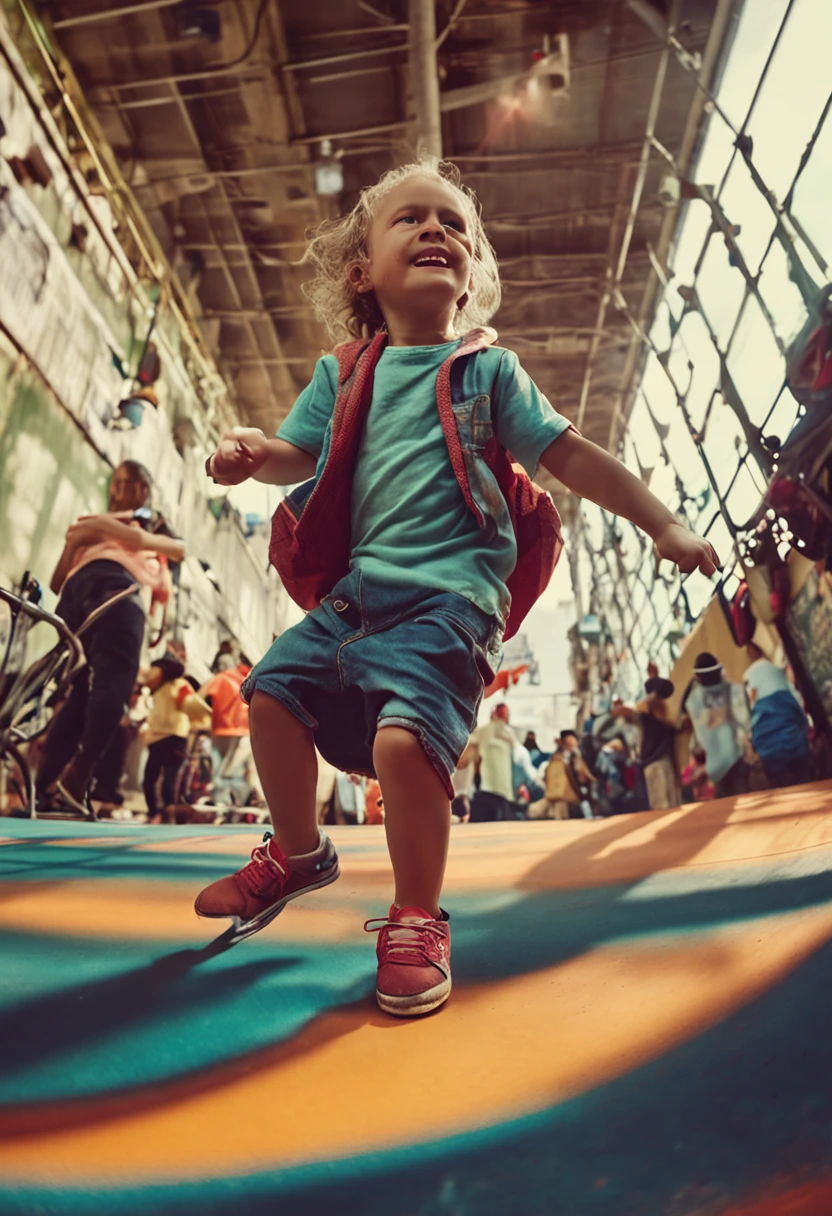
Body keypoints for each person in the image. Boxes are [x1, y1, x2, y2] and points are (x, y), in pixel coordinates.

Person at [192, 156, 717, 1017]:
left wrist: (661, 523)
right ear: (363, 270)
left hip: (453, 604)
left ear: (470, 271)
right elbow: (302, 455)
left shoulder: (489, 374)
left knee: (406, 747)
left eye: (454, 224)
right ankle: (297, 853)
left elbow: (571, 456)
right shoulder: (345, 372)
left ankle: (415, 916)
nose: (437, 229)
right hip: (358, 599)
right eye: (411, 219)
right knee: (271, 696)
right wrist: (256, 456)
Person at [36, 461, 184, 815]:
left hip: (96, 595)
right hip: (94, 594)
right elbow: (58, 579)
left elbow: (177, 549)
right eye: (115, 482)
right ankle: (77, 774)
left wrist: (91, 532)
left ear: (144, 490)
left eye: (128, 482)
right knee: (110, 683)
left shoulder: (143, 523)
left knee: (82, 695)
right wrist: (86, 537)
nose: (118, 490)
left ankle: (43, 787)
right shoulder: (115, 532)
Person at [142, 652, 211, 823]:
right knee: (148, 779)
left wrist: (207, 716)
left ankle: (168, 814)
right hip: (156, 738)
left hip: (174, 737)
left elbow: (190, 704)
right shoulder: (155, 690)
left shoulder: (179, 685)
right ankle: (154, 812)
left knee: (169, 780)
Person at [744, 642, 811, 789]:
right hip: (788, 722)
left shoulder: (748, 675)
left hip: (769, 740)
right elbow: (795, 695)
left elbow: (752, 703)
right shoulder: (775, 668)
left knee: (782, 782)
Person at [684, 652, 751, 799]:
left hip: (713, 768)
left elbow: (699, 734)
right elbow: (747, 725)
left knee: (725, 809)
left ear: (698, 677)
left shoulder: (695, 701)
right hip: (737, 761)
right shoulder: (735, 691)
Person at [614, 676, 680, 810]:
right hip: (654, 764)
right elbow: (625, 713)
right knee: (662, 806)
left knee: (671, 805)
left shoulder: (663, 716)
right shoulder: (645, 715)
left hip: (663, 763)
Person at [200, 650, 253, 807]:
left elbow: (199, 698)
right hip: (243, 729)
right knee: (235, 769)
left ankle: (222, 802)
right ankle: (238, 801)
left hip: (222, 729)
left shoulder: (219, 679)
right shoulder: (245, 678)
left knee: (219, 769)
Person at [462, 703, 517, 822]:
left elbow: (465, 755)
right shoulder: (511, 734)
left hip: (486, 790)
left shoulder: (482, 731)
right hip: (505, 793)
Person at [542, 730, 595, 819]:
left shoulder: (576, 755)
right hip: (567, 795)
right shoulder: (561, 757)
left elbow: (582, 776)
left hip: (574, 796)